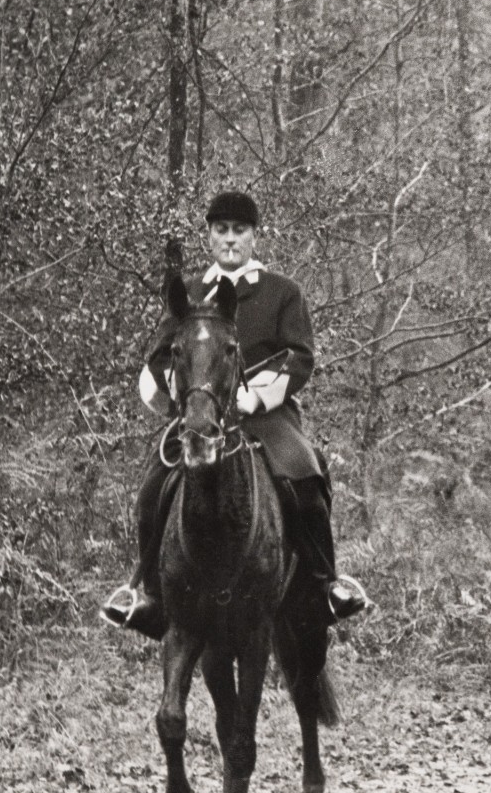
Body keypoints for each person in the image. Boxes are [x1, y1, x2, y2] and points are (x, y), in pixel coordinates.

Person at [101, 190, 370, 639]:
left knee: (306, 477)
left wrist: (257, 398)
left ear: (254, 236)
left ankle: (326, 585)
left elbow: (299, 357)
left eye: (239, 230)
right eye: (221, 230)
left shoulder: (282, 292)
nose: (230, 239)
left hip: (265, 415)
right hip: (200, 416)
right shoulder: (189, 293)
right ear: (209, 236)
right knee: (150, 490)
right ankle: (149, 597)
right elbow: (160, 357)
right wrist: (184, 401)